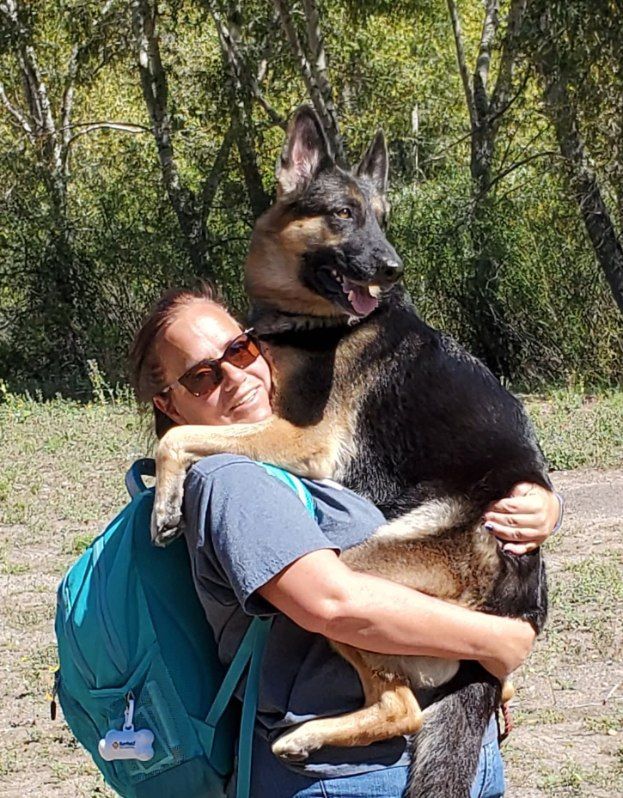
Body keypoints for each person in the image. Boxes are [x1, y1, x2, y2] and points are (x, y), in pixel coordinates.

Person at [130, 285, 562, 798]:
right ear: (169, 403)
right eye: (202, 377)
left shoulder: (303, 441)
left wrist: (541, 503)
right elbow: (334, 604)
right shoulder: (228, 479)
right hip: (349, 779)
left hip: (446, 742)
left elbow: (442, 466)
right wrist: (497, 642)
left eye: (240, 349)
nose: (235, 377)